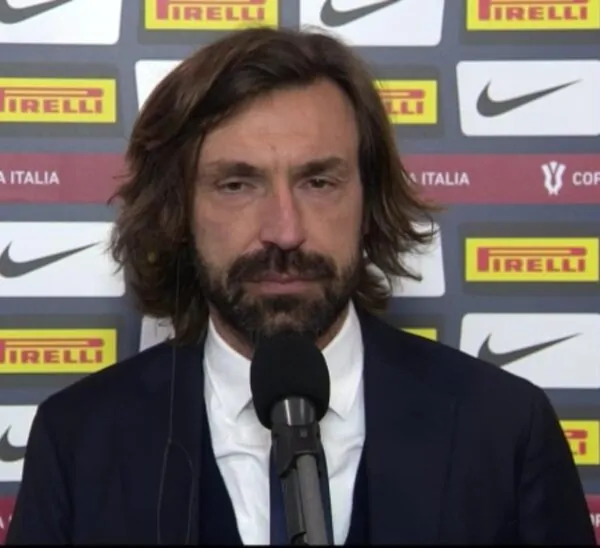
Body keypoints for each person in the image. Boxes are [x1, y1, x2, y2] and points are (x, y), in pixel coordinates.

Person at [6, 26, 595, 545]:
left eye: (318, 182)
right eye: (237, 185)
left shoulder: (503, 430)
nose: (284, 231)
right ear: (178, 211)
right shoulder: (79, 441)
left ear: (369, 201)